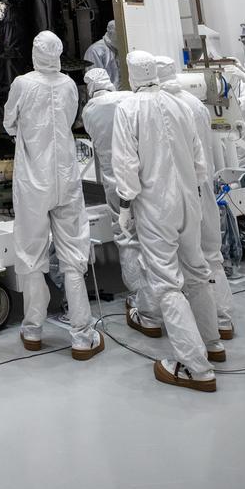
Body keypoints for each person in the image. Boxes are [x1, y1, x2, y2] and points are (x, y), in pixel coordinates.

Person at [112, 50, 224, 393]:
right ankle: (213, 343)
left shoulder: (127, 109)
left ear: (132, 74)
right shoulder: (180, 103)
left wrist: (126, 205)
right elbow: (199, 159)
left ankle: (194, 366)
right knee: (196, 270)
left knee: (166, 282)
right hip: (190, 200)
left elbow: (125, 165)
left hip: (155, 206)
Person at [4, 31, 104, 360]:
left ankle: (33, 331)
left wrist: (26, 134)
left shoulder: (22, 83)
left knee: (31, 256)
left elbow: (9, 122)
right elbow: (70, 118)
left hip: (33, 181)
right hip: (66, 178)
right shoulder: (68, 86)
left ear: (34, 52)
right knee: (74, 255)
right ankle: (82, 337)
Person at [155, 56, 235, 341]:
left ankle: (195, 334)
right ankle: (222, 321)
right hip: (202, 188)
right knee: (211, 257)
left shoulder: (160, 106)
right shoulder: (196, 105)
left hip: (178, 193)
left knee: (181, 265)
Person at [81, 67, 162, 337]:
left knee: (127, 239)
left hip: (116, 182)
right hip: (146, 177)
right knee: (154, 235)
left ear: (90, 88)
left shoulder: (90, 111)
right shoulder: (130, 99)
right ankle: (162, 292)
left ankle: (142, 303)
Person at [84, 19, 119, 87]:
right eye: (118, 32)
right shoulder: (95, 51)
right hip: (106, 95)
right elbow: (95, 81)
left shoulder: (123, 46)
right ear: (110, 32)